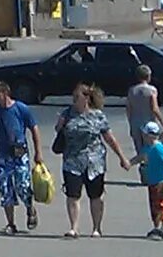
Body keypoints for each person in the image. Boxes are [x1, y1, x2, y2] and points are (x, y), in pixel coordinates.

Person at [53, 83, 131, 239]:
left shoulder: (98, 115)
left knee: (95, 195)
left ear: (86, 98)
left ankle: (96, 228)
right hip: (72, 161)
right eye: (73, 97)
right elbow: (58, 131)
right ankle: (74, 228)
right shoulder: (67, 113)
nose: (74, 100)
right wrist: (60, 126)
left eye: (77, 97)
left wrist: (122, 157)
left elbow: (109, 138)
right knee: (72, 195)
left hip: (95, 162)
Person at [0, 76, 42, 235]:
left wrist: (38, 152)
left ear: (4, 93)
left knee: (23, 185)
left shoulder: (21, 109)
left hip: (20, 153)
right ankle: (11, 223)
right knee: (5, 190)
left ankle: (30, 208)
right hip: (3, 156)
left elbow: (34, 128)